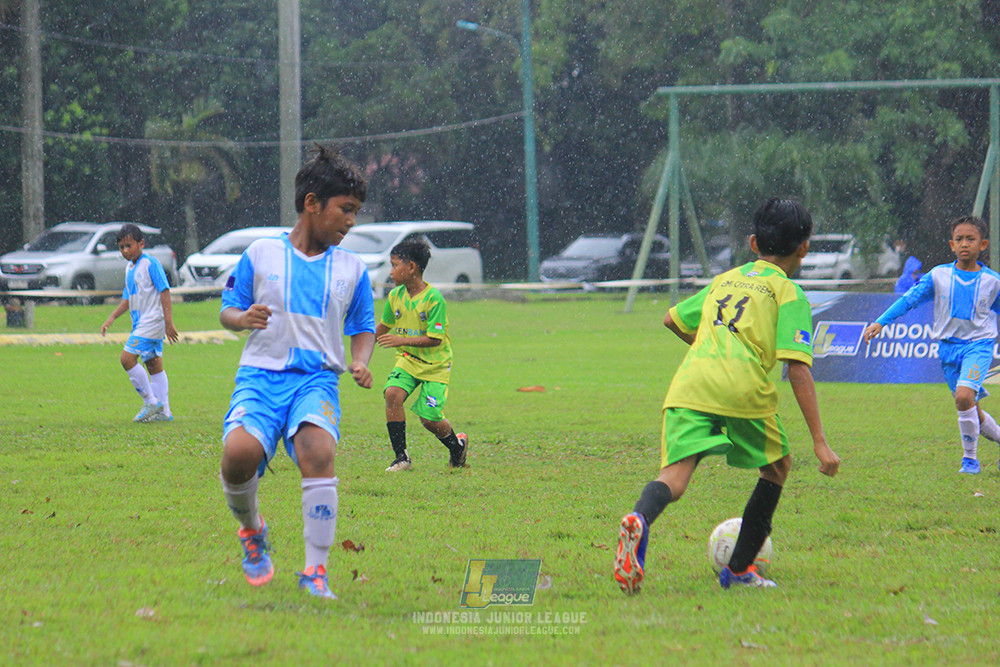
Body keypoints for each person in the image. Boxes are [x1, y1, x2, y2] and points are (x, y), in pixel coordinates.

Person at [613, 198, 841, 593]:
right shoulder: (788, 293)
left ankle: (639, 519)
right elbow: (798, 367)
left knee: (675, 477)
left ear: (753, 242)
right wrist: (820, 442)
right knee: (777, 467)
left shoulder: (727, 279)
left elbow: (672, 318)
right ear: (805, 247)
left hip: (691, 382)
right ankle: (738, 571)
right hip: (742, 386)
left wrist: (711, 349)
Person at [218, 145, 376, 600]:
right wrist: (242, 317)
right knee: (238, 456)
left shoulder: (352, 269)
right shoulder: (261, 254)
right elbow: (228, 310)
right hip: (261, 377)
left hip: (317, 379)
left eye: (356, 212)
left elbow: (363, 327)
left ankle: (316, 571)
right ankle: (252, 530)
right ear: (312, 203)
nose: (351, 221)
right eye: (345, 210)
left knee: (318, 451)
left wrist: (361, 360)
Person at [864, 215, 1000, 475]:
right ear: (951, 244)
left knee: (963, 397)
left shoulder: (993, 281)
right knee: (971, 407)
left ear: (983, 245)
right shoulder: (939, 275)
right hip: (948, 349)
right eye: (959, 239)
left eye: (970, 239)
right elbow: (909, 299)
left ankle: (969, 461)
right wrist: (881, 322)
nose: (964, 244)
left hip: (978, 347)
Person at [375, 238, 468, 472]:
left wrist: (400, 340)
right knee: (392, 394)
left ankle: (457, 448)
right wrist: (358, 337)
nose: (392, 271)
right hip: (407, 360)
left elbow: (434, 339)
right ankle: (401, 458)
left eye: (395, 265)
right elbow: (383, 328)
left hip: (436, 365)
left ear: (412, 268)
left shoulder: (433, 298)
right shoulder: (395, 296)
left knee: (429, 418)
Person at [100, 223, 178, 422]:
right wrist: (112, 318)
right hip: (142, 323)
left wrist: (169, 322)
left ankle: (150, 401)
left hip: (152, 321)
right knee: (153, 364)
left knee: (126, 359)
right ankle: (165, 412)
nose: (126, 251)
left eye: (129, 246)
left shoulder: (150, 264)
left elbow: (165, 291)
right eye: (122, 247)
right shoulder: (130, 268)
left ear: (141, 243)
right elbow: (127, 299)